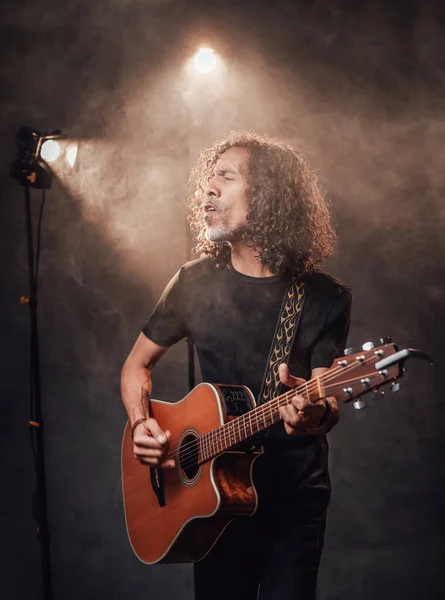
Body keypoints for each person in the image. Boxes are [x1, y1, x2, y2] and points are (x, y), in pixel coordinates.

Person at [120, 131, 351, 599]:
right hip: (211, 501)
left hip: (293, 497)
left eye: (225, 177)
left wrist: (312, 415)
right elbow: (135, 367)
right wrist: (141, 422)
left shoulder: (325, 297)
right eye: (209, 178)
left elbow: (327, 397)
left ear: (266, 196)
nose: (209, 189)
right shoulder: (193, 282)